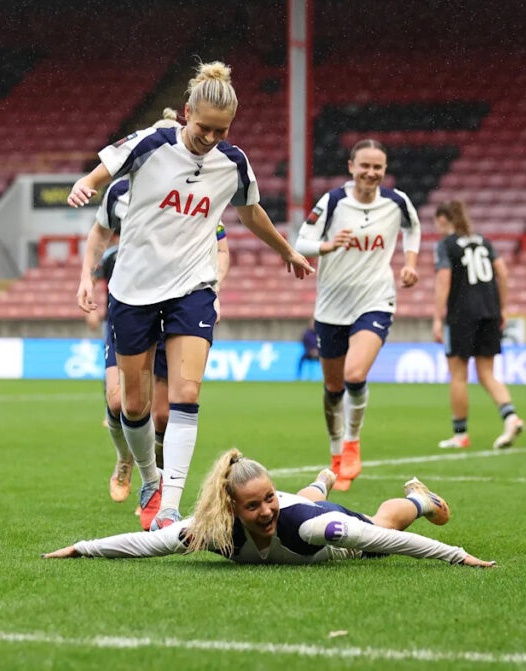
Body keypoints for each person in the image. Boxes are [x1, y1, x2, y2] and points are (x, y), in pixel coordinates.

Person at [70, 61, 313, 531]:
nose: (210, 138)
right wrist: (86, 183)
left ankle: (169, 508)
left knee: (185, 394)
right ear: (186, 113)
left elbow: (251, 211)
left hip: (192, 288)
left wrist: (288, 251)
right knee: (134, 406)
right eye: (203, 127)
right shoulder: (150, 144)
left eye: (221, 131)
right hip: (134, 289)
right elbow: (101, 174)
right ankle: (148, 478)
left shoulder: (232, 162)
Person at [80, 111, 232, 504]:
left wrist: (213, 287)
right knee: (121, 402)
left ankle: (160, 481)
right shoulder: (119, 192)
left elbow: (220, 245)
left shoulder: (197, 190)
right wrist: (85, 278)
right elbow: (99, 233)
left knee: (163, 414)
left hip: (178, 301)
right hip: (131, 300)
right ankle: (125, 461)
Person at [42, 448, 495, 567]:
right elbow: (147, 543)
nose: (264, 510)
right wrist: (81, 548)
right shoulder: (211, 530)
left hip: (320, 526)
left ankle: (419, 498)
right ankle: (318, 483)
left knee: (377, 521)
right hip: (302, 506)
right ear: (231, 509)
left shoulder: (315, 528)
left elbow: (386, 538)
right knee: (300, 504)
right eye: (253, 504)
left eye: (268, 497)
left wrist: (456, 554)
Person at [293, 139, 421, 490]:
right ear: (351, 166)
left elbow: (413, 228)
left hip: (376, 300)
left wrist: (410, 264)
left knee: (354, 373)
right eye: (364, 165)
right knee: (333, 387)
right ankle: (336, 455)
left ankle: (352, 443)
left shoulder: (397, 202)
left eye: (377, 167)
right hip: (332, 306)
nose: (371, 172)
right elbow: (300, 242)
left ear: (384, 169)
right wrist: (327, 246)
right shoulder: (333, 201)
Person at [432, 200, 524, 450]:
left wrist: (438, 317)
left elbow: (443, 280)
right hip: (489, 312)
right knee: (487, 373)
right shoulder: (483, 241)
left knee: (458, 376)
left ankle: (460, 434)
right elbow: (502, 273)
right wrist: (501, 307)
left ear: (442, 219)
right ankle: (511, 417)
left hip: (461, 315)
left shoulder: (445, 246)